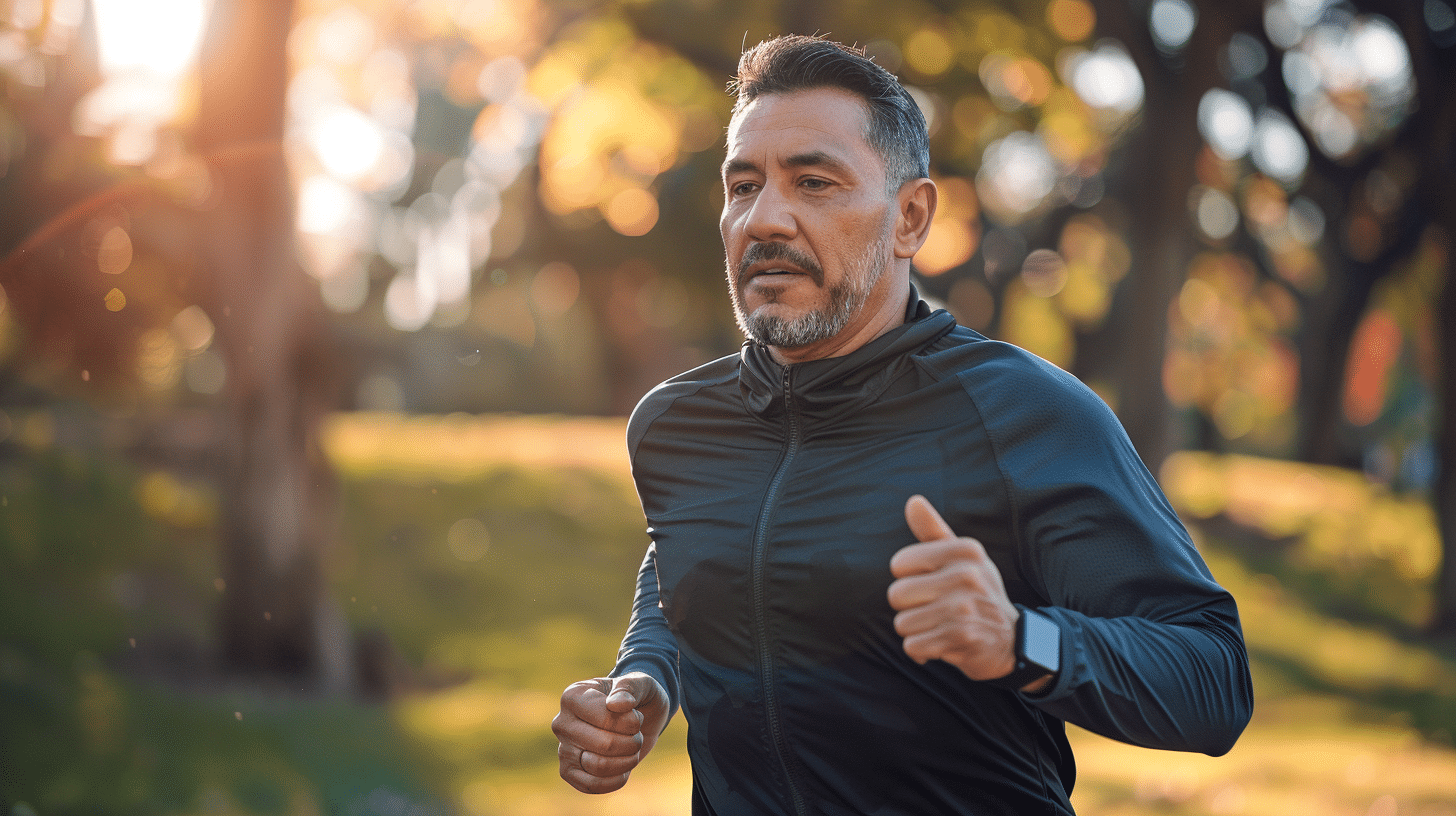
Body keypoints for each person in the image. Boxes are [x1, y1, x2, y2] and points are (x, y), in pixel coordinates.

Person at [551, 34, 1253, 815]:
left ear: (909, 218)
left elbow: (1213, 681)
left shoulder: (1026, 415)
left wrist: (1022, 641)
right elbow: (686, 571)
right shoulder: (676, 424)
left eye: (814, 182)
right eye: (743, 185)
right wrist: (645, 680)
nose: (764, 219)